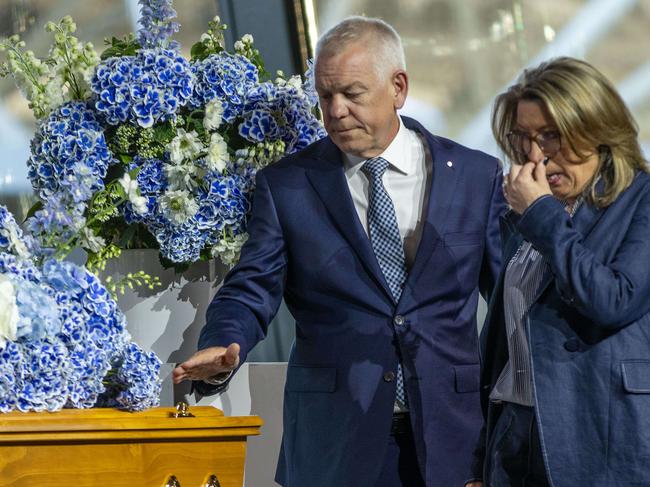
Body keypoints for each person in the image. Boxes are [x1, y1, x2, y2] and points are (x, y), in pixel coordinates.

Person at [173, 16, 506, 487]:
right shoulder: (287, 186)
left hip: (454, 443)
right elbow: (251, 287)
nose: (336, 110)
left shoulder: (476, 176)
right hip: (335, 444)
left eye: (351, 93)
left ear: (398, 87)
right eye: (325, 96)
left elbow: (511, 303)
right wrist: (224, 342)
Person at [475, 56, 650, 487]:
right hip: (516, 437)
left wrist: (541, 214)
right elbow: (504, 339)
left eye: (550, 136)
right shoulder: (526, 212)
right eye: (523, 138)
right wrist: (479, 456)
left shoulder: (638, 200)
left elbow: (613, 300)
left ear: (596, 130)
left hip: (599, 432)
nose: (535, 155)